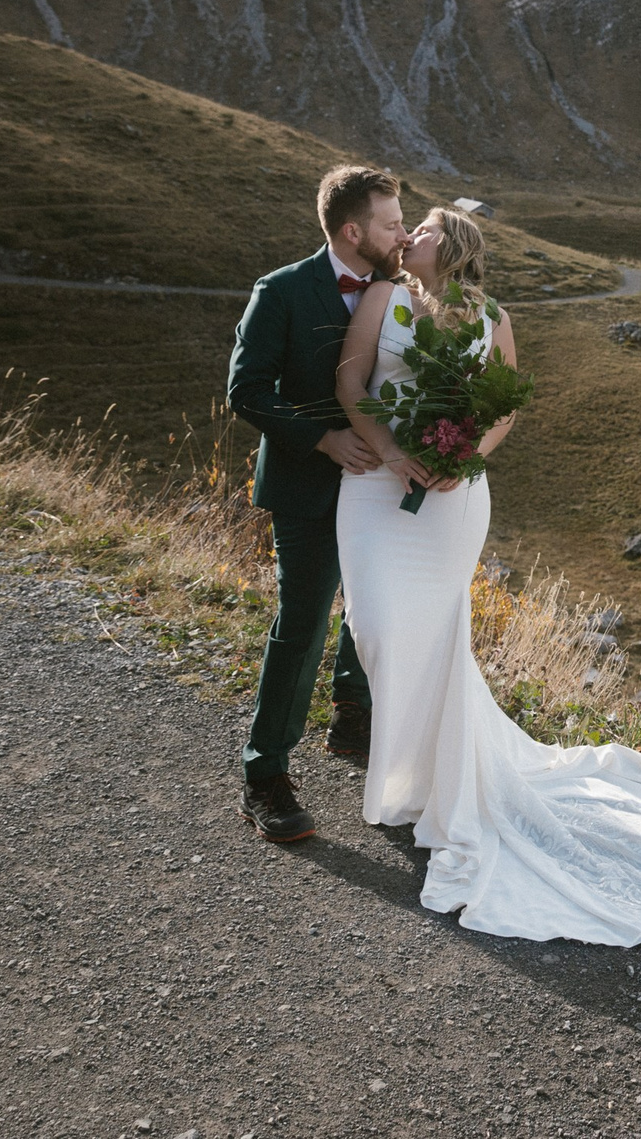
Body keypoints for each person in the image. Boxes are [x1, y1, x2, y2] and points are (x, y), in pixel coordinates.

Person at [331, 205, 641, 942]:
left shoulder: (491, 315)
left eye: (425, 222)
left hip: (451, 499)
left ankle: (423, 786)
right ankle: (410, 772)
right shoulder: (383, 299)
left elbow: (504, 405)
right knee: (377, 626)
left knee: (436, 635)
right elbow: (351, 381)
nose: (409, 229)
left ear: (455, 244)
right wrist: (389, 451)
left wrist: (467, 452)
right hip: (378, 491)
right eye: (404, 222)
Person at [225, 165, 406, 841]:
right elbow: (245, 391)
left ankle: (352, 718)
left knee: (377, 609)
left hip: (384, 485)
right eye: (392, 222)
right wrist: (324, 439)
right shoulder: (280, 292)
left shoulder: (405, 291)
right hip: (307, 484)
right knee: (301, 623)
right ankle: (263, 772)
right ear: (354, 230)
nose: (404, 231)